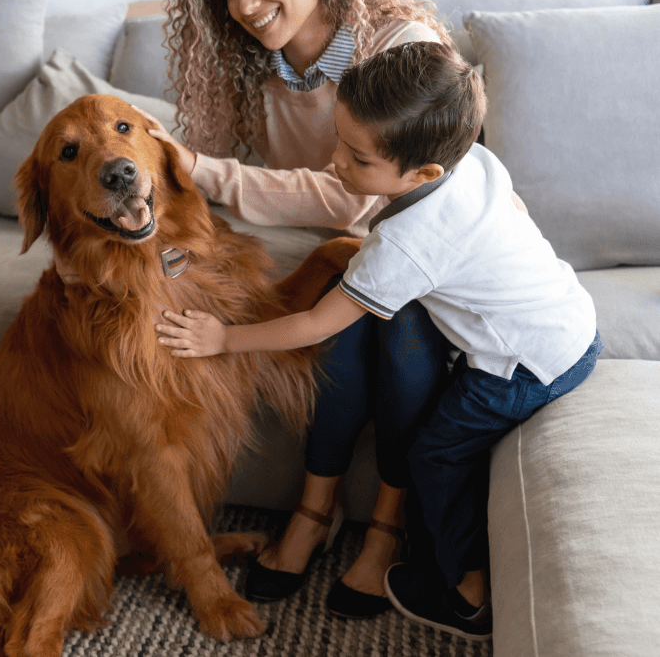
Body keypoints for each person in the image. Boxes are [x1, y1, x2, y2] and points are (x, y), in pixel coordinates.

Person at [155, 40, 603, 641]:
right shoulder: (475, 162)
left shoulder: (404, 246)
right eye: (339, 139)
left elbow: (315, 324)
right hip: (572, 319)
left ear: (423, 175)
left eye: (358, 159)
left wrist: (223, 337)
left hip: (526, 364)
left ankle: (469, 592)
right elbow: (512, 207)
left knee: (437, 455)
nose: (337, 163)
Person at [145, 0, 455, 619]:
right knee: (331, 312)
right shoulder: (244, 63)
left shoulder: (398, 50)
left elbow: (359, 195)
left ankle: (384, 526)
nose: (245, 7)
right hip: (332, 256)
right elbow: (199, 196)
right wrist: (169, 262)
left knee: (398, 326)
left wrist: (211, 174)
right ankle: (315, 512)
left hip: (418, 254)